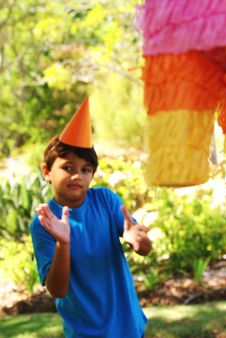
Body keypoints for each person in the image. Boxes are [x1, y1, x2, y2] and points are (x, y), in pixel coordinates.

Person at [30, 98, 151, 337]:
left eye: (85, 170)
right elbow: (57, 290)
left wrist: (138, 239)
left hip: (128, 327)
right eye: (68, 167)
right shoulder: (44, 222)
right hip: (84, 332)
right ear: (47, 171)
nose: (78, 176)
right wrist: (62, 244)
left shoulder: (105, 200)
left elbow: (144, 248)